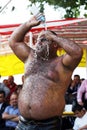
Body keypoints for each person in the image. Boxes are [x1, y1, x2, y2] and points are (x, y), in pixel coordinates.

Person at [8, 15, 83, 130]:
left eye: (43, 40)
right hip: (23, 122)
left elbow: (77, 52)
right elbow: (13, 41)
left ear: (55, 45)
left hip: (48, 125)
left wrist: (54, 37)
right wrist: (28, 24)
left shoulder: (62, 63)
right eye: (38, 40)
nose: (38, 43)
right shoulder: (30, 57)